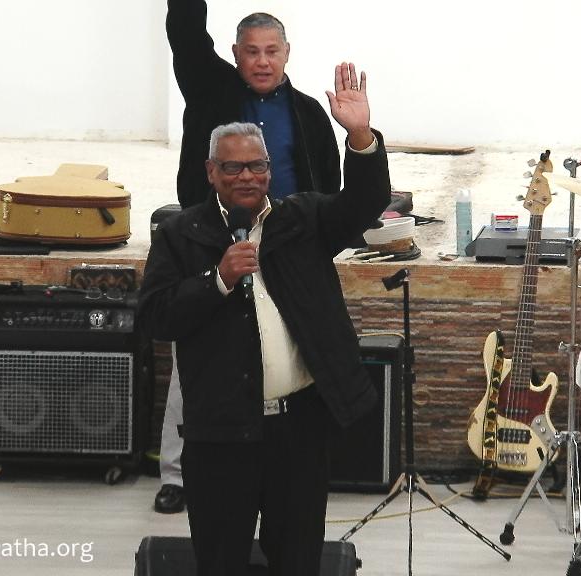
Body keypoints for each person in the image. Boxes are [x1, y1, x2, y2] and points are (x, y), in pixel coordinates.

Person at [138, 62, 387, 576]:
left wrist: (360, 136)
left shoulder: (303, 219)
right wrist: (217, 279)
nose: (247, 177)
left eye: (257, 166)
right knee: (221, 558)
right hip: (220, 433)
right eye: (233, 168)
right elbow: (156, 317)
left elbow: (365, 203)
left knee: (297, 558)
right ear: (211, 172)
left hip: (298, 430)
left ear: (270, 170)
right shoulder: (182, 235)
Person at [155, 0, 342, 514]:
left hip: (284, 247)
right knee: (198, 359)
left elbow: (328, 189)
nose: (262, 61)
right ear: (235, 55)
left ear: (287, 54)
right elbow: (186, 33)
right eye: (252, 52)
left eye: (271, 52)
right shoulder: (210, 89)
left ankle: (286, 468)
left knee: (287, 353)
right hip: (216, 242)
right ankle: (177, 474)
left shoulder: (308, 113)